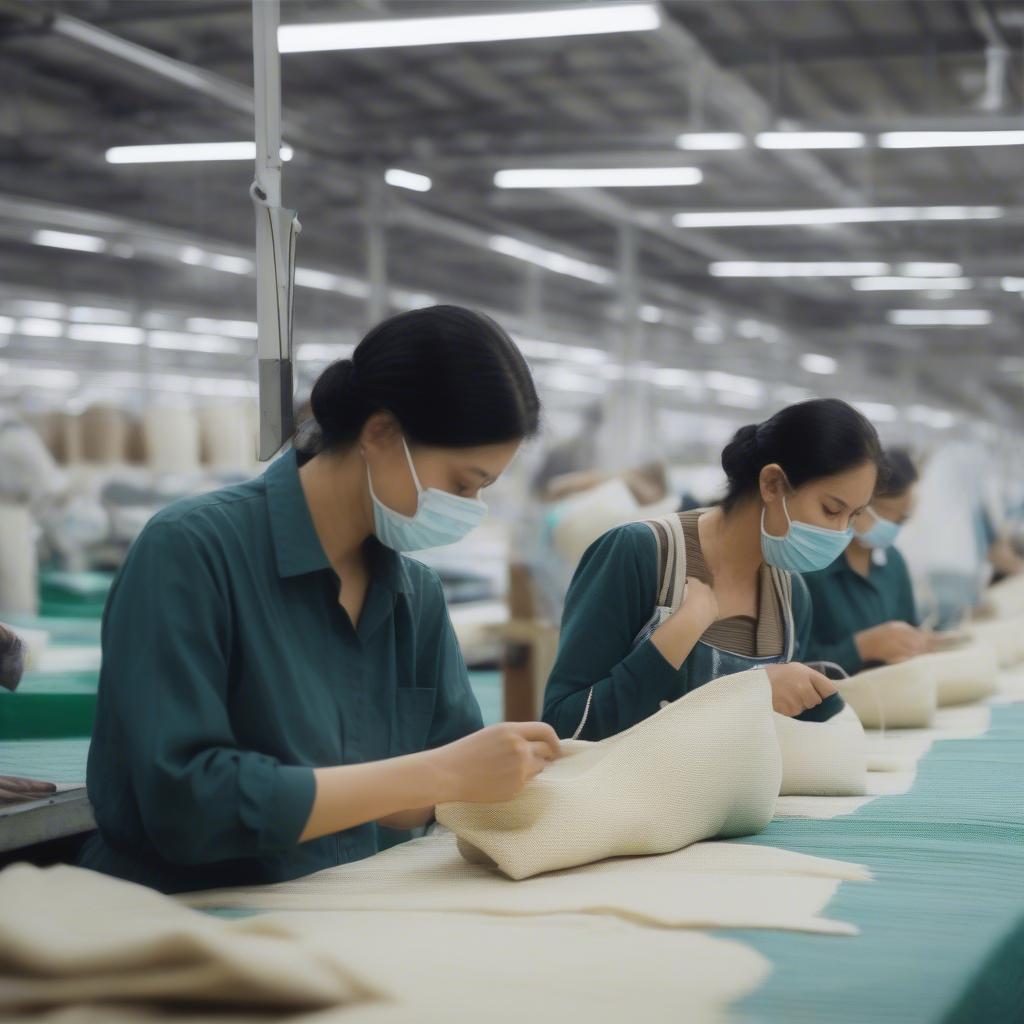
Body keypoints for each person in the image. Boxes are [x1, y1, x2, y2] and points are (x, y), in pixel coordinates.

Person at [80, 306, 560, 893]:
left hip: (348, 914)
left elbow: (444, 797)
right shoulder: (191, 551)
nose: (468, 508)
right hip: (184, 919)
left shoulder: (417, 595)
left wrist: (489, 776)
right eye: (462, 484)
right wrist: (435, 773)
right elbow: (187, 803)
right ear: (380, 432)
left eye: (482, 490)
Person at [542, 398, 883, 741]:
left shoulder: (791, 597)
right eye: (830, 509)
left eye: (853, 517)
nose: (840, 533)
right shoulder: (639, 555)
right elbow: (567, 724)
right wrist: (680, 632)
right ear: (773, 484)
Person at [804, 448, 932, 674]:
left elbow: (912, 631)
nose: (895, 527)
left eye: (904, 519)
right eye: (892, 516)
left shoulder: (893, 561)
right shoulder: (812, 566)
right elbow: (792, 667)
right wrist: (860, 648)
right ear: (863, 503)